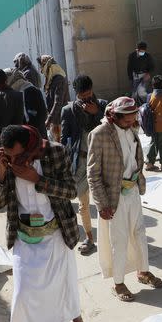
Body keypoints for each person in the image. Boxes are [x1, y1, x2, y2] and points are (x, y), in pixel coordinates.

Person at [0, 125, 89, 322]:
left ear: (30, 146)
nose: (14, 160)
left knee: (64, 284)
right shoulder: (6, 160)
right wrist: (2, 173)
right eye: (9, 155)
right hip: (24, 237)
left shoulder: (55, 152)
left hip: (56, 232)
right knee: (23, 293)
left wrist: (38, 180)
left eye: (18, 155)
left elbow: (70, 191)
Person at [87, 97, 162, 302]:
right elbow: (93, 174)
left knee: (139, 233)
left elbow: (135, 159)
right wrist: (102, 204)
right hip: (114, 197)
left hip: (133, 191)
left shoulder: (131, 130)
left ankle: (143, 271)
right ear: (114, 117)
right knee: (119, 241)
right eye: (127, 121)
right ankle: (118, 283)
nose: (132, 123)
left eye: (133, 120)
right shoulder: (99, 134)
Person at [61, 74, 106, 256]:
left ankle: (108, 237)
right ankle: (89, 238)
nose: (86, 98)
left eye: (88, 94)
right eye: (82, 96)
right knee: (83, 204)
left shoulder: (103, 105)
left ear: (92, 90)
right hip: (79, 163)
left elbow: (112, 129)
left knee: (104, 201)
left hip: (100, 161)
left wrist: (98, 113)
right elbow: (64, 140)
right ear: (76, 94)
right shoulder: (68, 110)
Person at [6, 67, 47, 138]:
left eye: (6, 80)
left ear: (11, 78)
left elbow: (30, 115)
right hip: (39, 133)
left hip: (31, 136)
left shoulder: (24, 91)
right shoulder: (32, 88)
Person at [39, 55, 69, 141]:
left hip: (59, 120)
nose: (41, 70)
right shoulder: (51, 78)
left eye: (42, 66)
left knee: (58, 146)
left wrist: (49, 119)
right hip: (54, 119)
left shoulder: (59, 79)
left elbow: (58, 102)